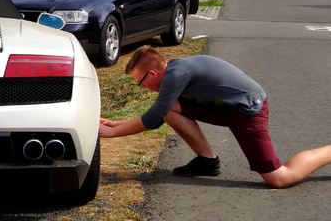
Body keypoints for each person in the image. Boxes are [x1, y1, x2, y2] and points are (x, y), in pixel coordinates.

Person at [98, 45, 331, 188]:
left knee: (279, 178)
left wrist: (111, 132)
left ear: (152, 74)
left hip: (249, 112)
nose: (143, 89)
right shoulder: (175, 70)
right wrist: (116, 123)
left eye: (140, 83)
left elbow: (152, 119)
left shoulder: (178, 73)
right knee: (170, 108)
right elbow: (158, 113)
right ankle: (207, 162)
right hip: (226, 107)